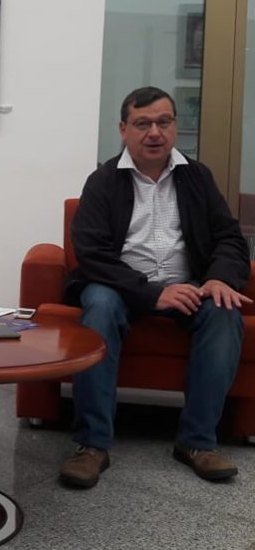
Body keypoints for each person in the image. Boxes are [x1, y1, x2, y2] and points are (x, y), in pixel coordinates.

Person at [59, 86, 252, 488]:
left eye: (163, 122)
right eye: (143, 123)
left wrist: (218, 277)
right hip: (119, 287)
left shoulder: (197, 177)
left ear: (175, 127)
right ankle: (92, 445)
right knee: (99, 307)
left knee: (223, 312)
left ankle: (197, 443)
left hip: (189, 287)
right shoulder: (103, 181)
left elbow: (229, 239)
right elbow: (91, 253)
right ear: (123, 130)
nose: (154, 133)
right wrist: (151, 293)